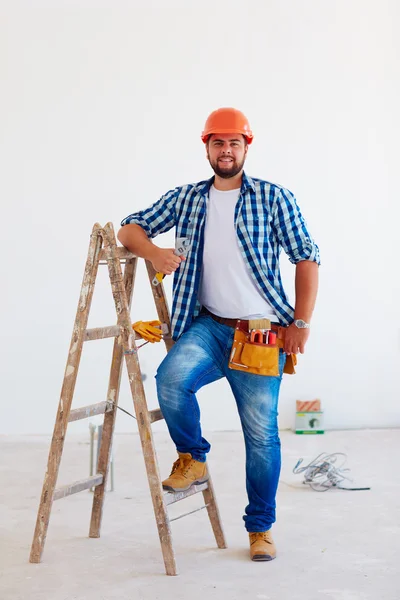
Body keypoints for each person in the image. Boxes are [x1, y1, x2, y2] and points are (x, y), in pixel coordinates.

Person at [118, 107, 320, 562]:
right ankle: (193, 456)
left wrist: (300, 323)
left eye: (234, 143)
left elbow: (307, 257)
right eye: (217, 143)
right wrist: (153, 252)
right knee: (171, 379)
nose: (225, 151)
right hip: (209, 325)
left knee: (261, 436)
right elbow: (128, 227)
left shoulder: (273, 199)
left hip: (262, 334)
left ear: (247, 147)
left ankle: (260, 528)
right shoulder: (188, 198)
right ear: (206, 147)